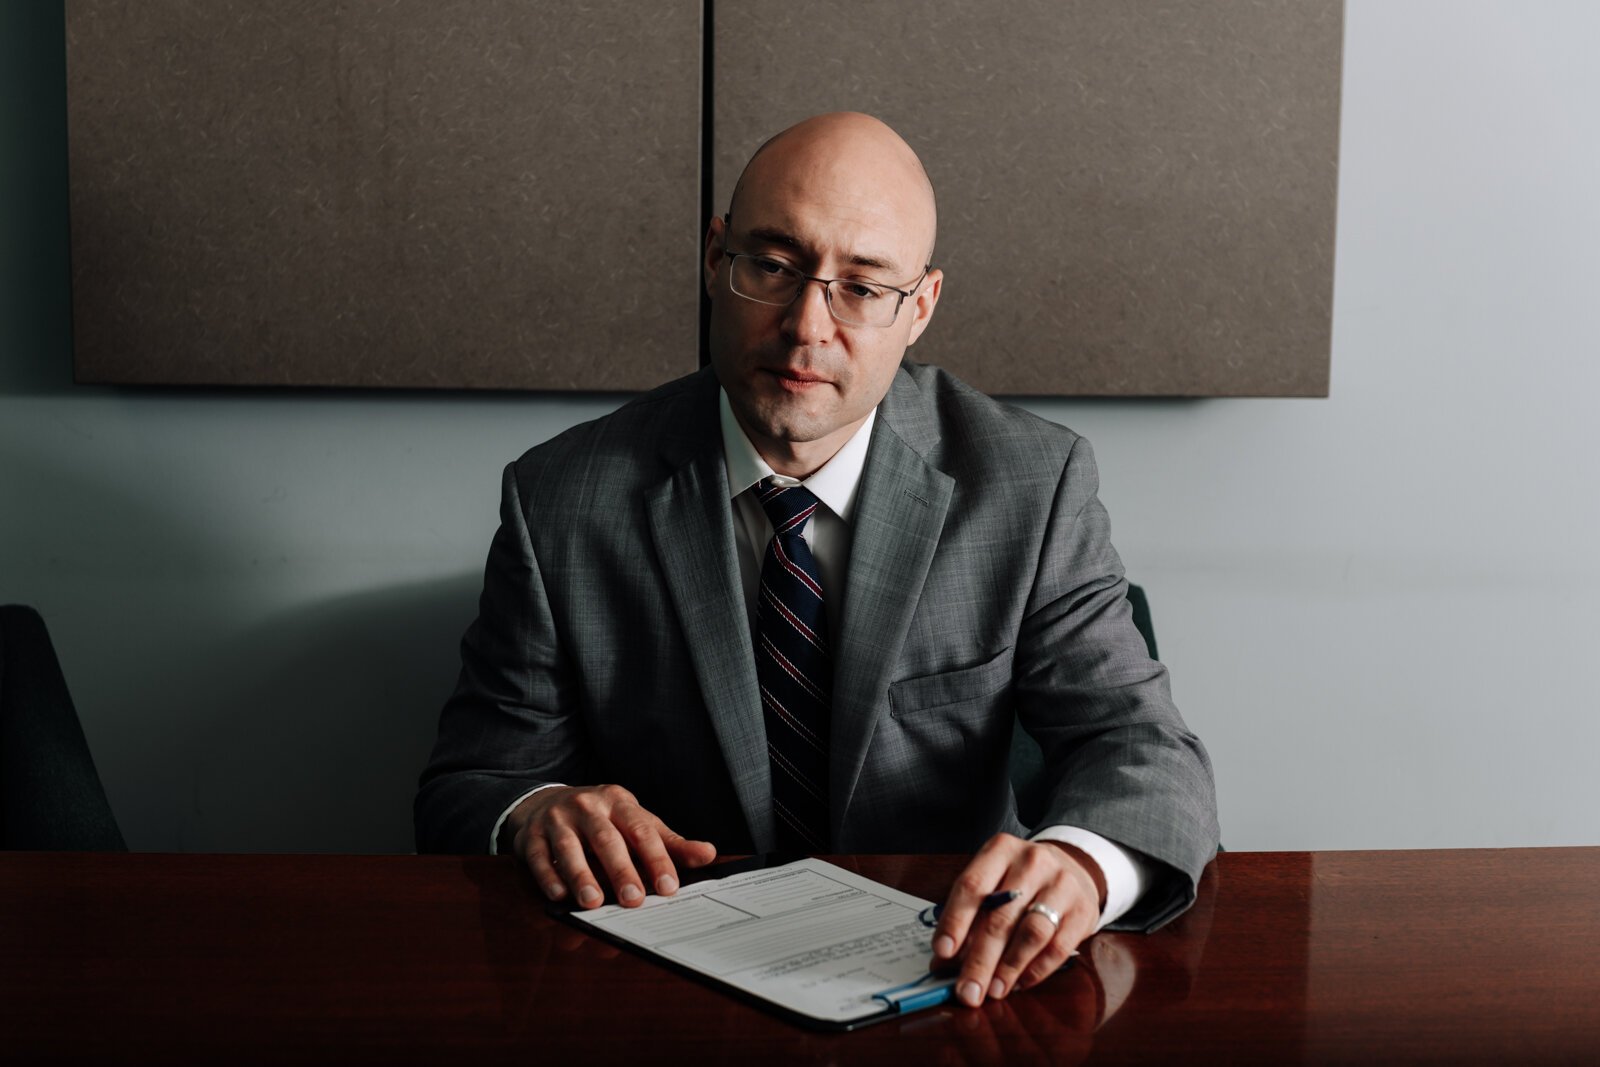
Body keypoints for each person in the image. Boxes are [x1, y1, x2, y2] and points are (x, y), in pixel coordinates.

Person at [416, 112, 1218, 1008]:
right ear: (716, 257)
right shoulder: (559, 497)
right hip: (662, 995)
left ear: (920, 307)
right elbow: (471, 782)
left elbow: (1143, 748)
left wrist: (1080, 863)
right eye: (772, 266)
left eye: (863, 288)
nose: (807, 326)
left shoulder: (1030, 486)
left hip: (949, 984)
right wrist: (534, 812)